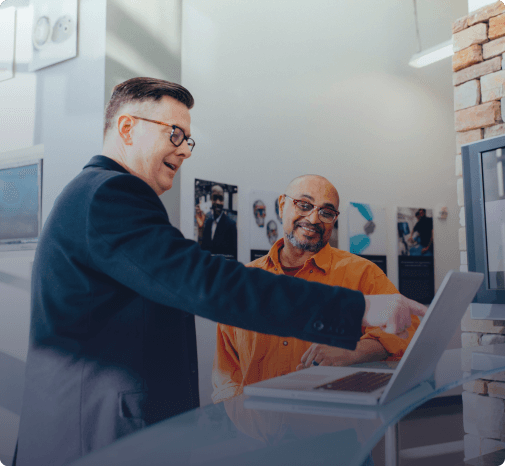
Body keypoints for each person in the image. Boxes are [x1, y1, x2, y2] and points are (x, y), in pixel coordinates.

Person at [14, 77, 426, 466]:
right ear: (126, 128)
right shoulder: (110, 194)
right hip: (96, 436)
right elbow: (207, 282)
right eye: (174, 133)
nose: (185, 150)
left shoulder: (95, 195)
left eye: (188, 139)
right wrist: (360, 310)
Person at [212, 175, 420, 403]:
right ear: (282, 206)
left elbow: (408, 329)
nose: (313, 219)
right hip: (258, 430)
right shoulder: (244, 282)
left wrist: (355, 351)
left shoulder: (363, 273)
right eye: (304, 205)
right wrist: (237, 420)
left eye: (326, 212)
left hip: (333, 428)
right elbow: (226, 373)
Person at [195, 184, 237, 259]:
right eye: (215, 198)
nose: (217, 202)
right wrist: (200, 228)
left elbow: (233, 256)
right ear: (211, 200)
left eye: (220, 199)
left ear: (223, 201)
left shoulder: (231, 225)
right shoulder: (208, 222)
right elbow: (203, 249)